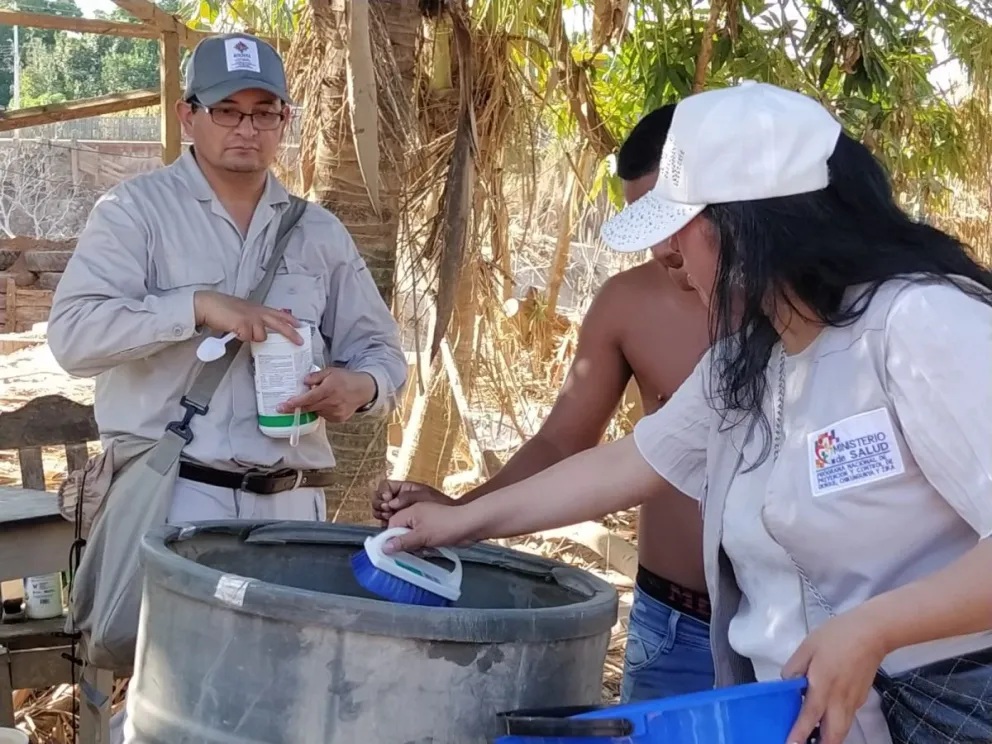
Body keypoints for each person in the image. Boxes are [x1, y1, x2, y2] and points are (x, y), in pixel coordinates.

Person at [382, 82, 992, 744]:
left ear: (749, 222)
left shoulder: (920, 323)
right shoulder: (752, 358)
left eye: (680, 233)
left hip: (944, 713)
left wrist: (879, 626)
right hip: (795, 715)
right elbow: (630, 462)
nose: (667, 257)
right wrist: (460, 521)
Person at [47, 33, 406, 743]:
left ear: (284, 120)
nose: (247, 127)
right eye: (228, 110)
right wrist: (195, 306)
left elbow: (383, 351)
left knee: (285, 702)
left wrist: (357, 387)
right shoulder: (134, 213)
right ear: (189, 116)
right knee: (174, 703)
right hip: (180, 496)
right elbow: (74, 337)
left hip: (292, 503)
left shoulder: (319, 233)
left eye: (265, 112)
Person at [374, 106, 716, 701]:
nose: (666, 248)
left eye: (675, 219)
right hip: (675, 623)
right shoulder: (627, 304)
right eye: (647, 223)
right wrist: (463, 515)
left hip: (797, 619)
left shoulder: (810, 316)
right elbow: (570, 446)